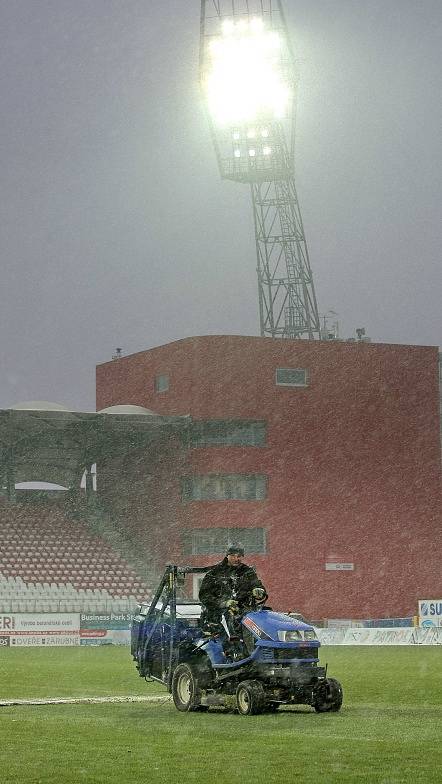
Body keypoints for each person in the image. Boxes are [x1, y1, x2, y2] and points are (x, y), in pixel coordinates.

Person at [198, 545, 268, 634]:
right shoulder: (214, 573)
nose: (236, 559)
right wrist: (224, 603)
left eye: (238, 556)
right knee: (227, 643)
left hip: (244, 616)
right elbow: (204, 596)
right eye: (233, 556)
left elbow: (257, 585)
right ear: (227, 556)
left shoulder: (247, 572)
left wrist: (259, 591)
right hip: (217, 619)